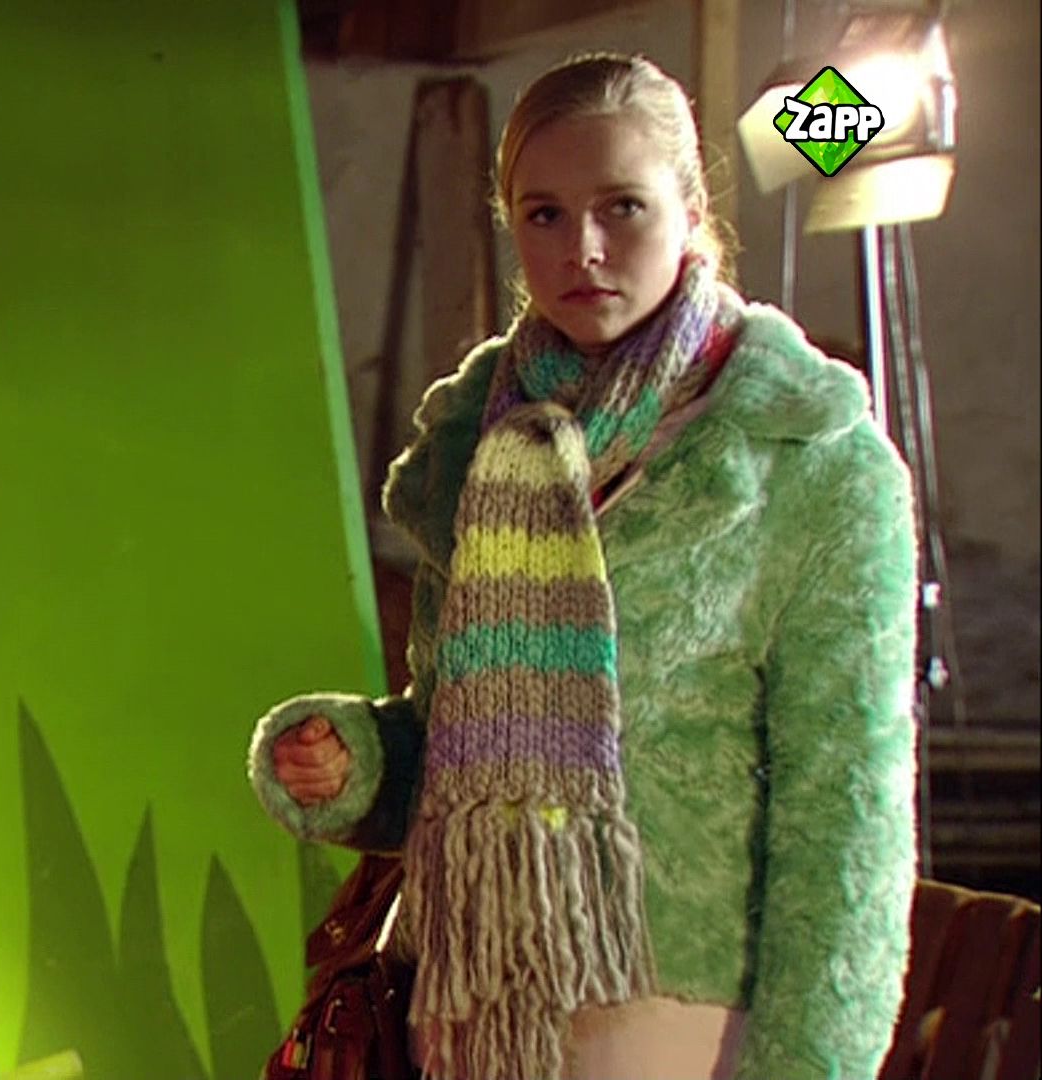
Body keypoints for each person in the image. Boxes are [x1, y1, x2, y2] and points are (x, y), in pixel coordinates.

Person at [248, 53, 917, 1080]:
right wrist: (354, 762)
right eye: (546, 215)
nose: (584, 249)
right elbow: (458, 744)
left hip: (681, 1015)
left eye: (622, 208)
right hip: (469, 1003)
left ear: (692, 211)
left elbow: (847, 816)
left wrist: (810, 1063)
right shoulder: (479, 442)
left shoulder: (805, 459)